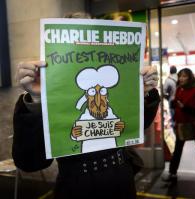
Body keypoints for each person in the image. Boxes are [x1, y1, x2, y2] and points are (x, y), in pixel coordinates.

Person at [12, 12, 160, 199]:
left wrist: (144, 92)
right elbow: (30, 162)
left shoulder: (114, 92)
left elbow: (138, 126)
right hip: (75, 187)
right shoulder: (51, 91)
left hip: (121, 182)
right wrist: (36, 100)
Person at [163, 68, 195, 182]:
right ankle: (172, 172)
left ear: (190, 77)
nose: (181, 78)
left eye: (184, 76)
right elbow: (177, 104)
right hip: (183, 122)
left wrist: (184, 107)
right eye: (180, 76)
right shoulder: (180, 89)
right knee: (178, 148)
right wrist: (175, 104)